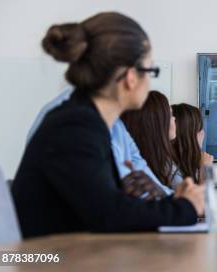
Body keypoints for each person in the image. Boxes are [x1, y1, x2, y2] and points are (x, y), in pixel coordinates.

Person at [12, 12, 204, 238]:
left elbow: (115, 203)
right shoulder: (74, 127)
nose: (150, 81)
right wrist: (186, 207)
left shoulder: (92, 122)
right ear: (131, 77)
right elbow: (110, 214)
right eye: (151, 71)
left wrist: (176, 200)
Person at [27, 87, 172, 197]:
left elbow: (144, 176)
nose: (147, 83)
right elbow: (113, 200)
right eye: (148, 72)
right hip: (65, 233)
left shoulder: (116, 124)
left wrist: (179, 201)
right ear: (129, 76)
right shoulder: (74, 118)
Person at [121, 91, 179, 189]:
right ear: (157, 123)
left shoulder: (162, 159)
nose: (174, 119)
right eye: (171, 115)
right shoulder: (137, 167)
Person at [170, 103, 214, 188]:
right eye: (200, 128)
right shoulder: (172, 171)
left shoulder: (187, 162)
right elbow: (203, 199)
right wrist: (205, 169)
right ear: (188, 134)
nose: (203, 133)